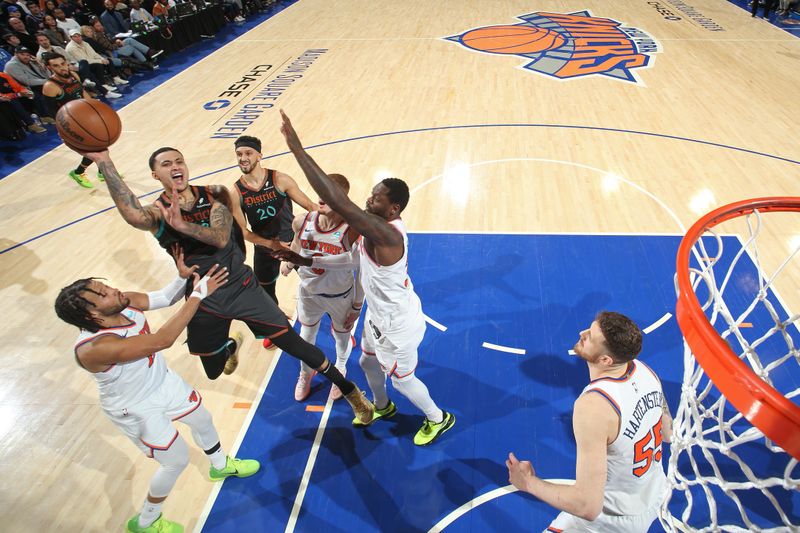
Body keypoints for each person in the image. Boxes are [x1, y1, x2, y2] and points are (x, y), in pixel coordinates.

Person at [78, 147, 375, 425]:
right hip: (203, 295)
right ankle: (230, 344)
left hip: (241, 284)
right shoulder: (157, 212)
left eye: (179, 161)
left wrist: (182, 227)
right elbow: (133, 215)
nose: (175, 167)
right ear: (155, 175)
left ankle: (351, 392)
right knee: (213, 371)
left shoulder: (215, 193)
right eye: (166, 164)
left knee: (296, 344)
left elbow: (220, 237)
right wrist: (104, 159)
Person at [273, 110, 455, 446]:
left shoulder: (388, 235)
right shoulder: (372, 230)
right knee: (366, 361)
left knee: (402, 379)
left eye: (376, 197)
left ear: (393, 209)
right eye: (369, 194)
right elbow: (347, 259)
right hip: (378, 314)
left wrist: (297, 149)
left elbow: (339, 202)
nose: (368, 199)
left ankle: (438, 418)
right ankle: (382, 407)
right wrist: (302, 258)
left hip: (397, 321)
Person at [54, 250, 260, 533]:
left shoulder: (123, 302)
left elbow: (163, 298)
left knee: (202, 418)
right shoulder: (95, 349)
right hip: (135, 406)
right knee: (176, 461)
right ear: (92, 315)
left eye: (105, 286)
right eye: (103, 294)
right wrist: (198, 295)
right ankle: (146, 521)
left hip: (161, 381)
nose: (113, 290)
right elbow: (163, 340)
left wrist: (181, 278)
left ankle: (220, 465)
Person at [506, 311, 671, 532]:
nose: (582, 334)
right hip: (654, 492)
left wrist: (527, 482)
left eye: (590, 336)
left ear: (605, 360)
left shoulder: (594, 406)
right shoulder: (646, 372)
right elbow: (668, 432)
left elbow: (587, 506)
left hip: (613, 519)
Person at [279, 173, 361, 402]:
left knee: (342, 337)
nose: (322, 197)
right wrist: (289, 261)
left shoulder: (352, 231)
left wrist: (357, 304)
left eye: (329, 192)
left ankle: (341, 369)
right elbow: (297, 245)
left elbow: (361, 269)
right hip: (308, 293)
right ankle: (306, 373)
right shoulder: (302, 221)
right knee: (306, 337)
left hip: (340, 295)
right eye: (320, 189)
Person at [229, 134, 316, 349]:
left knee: (315, 281)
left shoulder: (280, 179)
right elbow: (243, 231)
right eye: (239, 154)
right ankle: (276, 328)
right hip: (265, 249)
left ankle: (333, 319)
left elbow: (309, 205)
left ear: (259, 155)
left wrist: (331, 226)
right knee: (266, 293)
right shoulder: (236, 192)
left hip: (293, 244)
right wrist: (271, 245)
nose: (243, 158)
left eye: (248, 153)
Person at [41, 51, 104, 188]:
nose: (62, 68)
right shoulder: (50, 87)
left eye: (63, 64)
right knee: (97, 149)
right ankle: (80, 172)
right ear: (49, 68)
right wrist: (64, 130)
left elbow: (82, 93)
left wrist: (95, 108)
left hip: (85, 117)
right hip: (71, 124)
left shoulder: (74, 75)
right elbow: (52, 112)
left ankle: (96, 172)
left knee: (102, 145)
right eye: (56, 66)